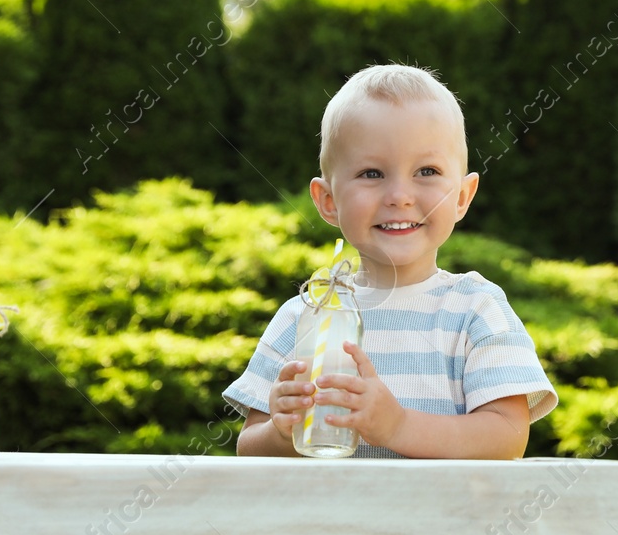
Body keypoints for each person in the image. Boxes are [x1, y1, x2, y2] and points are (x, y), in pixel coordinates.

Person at [224, 64, 556, 458]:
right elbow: (250, 447)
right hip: (331, 521)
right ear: (328, 201)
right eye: (372, 173)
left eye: (427, 171)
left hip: (440, 521)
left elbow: (507, 436)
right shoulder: (306, 315)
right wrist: (282, 433)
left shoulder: (476, 309)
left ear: (463, 196)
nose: (399, 195)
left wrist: (398, 426)